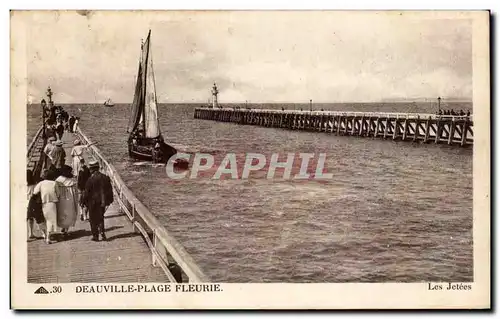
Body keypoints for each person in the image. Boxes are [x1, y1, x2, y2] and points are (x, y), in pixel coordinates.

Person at [81, 160, 114, 241]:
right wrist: (110, 200)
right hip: (102, 202)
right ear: (98, 168)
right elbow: (109, 190)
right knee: (101, 217)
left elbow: (86, 193)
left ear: (91, 169)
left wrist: (83, 202)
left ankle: (95, 236)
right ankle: (102, 232)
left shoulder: (90, 180)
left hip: (92, 202)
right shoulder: (105, 177)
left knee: (92, 219)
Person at [33, 169, 60, 244]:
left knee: (42, 220)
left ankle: (44, 234)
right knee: (50, 221)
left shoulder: (41, 183)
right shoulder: (54, 183)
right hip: (51, 203)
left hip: (42, 203)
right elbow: (58, 194)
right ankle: (48, 237)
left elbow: (35, 192)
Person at [55, 165, 79, 239]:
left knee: (61, 213)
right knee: (69, 214)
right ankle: (66, 230)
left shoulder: (58, 180)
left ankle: (62, 228)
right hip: (70, 200)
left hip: (61, 200)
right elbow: (75, 192)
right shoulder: (72, 181)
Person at [27, 169, 46, 240]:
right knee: (39, 219)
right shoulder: (35, 185)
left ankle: (30, 233)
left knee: (30, 219)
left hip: (25, 204)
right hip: (33, 204)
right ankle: (43, 233)